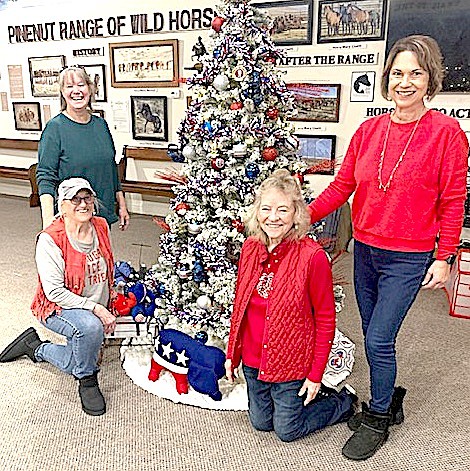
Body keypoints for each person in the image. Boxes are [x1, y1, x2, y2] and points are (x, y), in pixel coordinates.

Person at [307, 35, 469, 461]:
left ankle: (379, 414)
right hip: (366, 250)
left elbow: (453, 200)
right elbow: (343, 186)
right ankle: (387, 395)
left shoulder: (446, 133)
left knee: (378, 338)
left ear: (430, 80)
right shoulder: (368, 129)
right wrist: (302, 216)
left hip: (410, 256)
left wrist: (445, 256)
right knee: (372, 332)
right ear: (387, 79)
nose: (405, 82)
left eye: (416, 73)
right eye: (398, 73)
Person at [225, 169, 357, 443]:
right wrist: (232, 354)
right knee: (262, 424)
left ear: (296, 214)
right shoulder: (250, 248)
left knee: (287, 431)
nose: (273, 217)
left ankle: (340, 402)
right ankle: (286, 401)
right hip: (253, 360)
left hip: (290, 363)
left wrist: (315, 375)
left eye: (282, 210)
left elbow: (325, 319)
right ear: (256, 212)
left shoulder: (312, 257)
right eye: (266, 209)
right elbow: (240, 308)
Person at [0, 178, 117, 416]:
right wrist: (96, 309)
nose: (82, 204)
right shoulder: (50, 239)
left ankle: (35, 347)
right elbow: (54, 292)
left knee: (77, 358)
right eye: (75, 199)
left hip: (89, 303)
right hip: (57, 307)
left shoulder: (101, 225)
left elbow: (106, 266)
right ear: (62, 206)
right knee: (90, 332)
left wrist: (111, 296)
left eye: (87, 198)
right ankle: (87, 380)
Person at [36, 65, 130, 230]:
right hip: (73, 218)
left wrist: (122, 205)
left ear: (90, 89)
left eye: (81, 85)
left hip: (102, 215)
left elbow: (111, 169)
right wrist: (48, 223)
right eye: (69, 86)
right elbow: (45, 177)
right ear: (62, 92)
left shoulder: (101, 125)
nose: (76, 91)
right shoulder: (54, 128)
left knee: (101, 256)